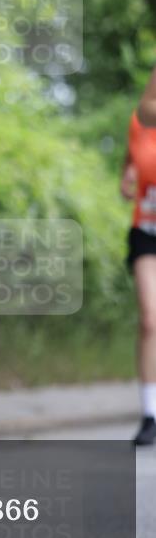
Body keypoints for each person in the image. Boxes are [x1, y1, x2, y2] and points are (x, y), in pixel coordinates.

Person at [121, 108, 156, 446]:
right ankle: (150, 414)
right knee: (150, 321)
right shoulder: (141, 119)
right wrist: (129, 173)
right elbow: (134, 156)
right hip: (147, 231)